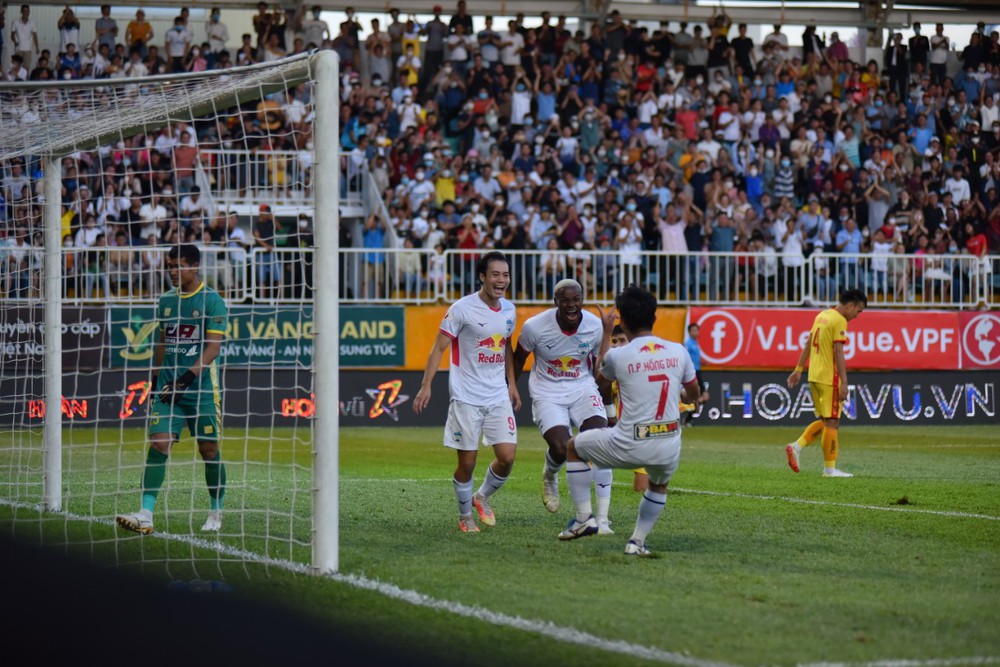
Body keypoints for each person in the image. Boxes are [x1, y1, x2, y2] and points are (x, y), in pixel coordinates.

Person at [557, 285, 700, 556]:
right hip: (668, 443)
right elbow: (693, 394)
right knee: (658, 485)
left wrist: (607, 333)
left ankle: (584, 518)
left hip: (629, 442)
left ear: (622, 319)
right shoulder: (678, 351)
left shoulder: (619, 355)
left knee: (574, 447)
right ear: (655, 317)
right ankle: (637, 542)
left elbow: (599, 382)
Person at [116, 244, 228, 535]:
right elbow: (163, 343)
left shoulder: (212, 301)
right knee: (159, 444)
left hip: (200, 388)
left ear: (195, 266)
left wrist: (186, 380)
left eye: (178, 266)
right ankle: (145, 514)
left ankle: (216, 511)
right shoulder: (166, 300)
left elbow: (213, 348)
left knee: (209, 449)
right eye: (169, 266)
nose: (172, 272)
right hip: (168, 390)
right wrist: (155, 382)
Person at [413, 251, 521, 533]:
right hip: (466, 396)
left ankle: (481, 497)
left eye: (505, 275)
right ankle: (465, 517)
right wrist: (426, 385)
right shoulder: (461, 308)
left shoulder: (510, 310)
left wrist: (511, 383)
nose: (501, 280)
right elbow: (438, 347)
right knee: (468, 462)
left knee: (507, 457)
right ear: (482, 277)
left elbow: (505, 346)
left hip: (497, 394)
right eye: (495, 274)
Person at [511, 279, 616, 532]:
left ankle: (601, 519)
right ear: (555, 301)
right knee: (561, 447)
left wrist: (607, 334)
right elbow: (517, 358)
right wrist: (510, 390)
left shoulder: (593, 325)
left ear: (582, 300)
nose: (572, 305)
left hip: (582, 388)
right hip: (547, 392)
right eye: (565, 300)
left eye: (576, 299)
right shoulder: (534, 326)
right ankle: (549, 475)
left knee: (599, 443)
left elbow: (601, 366)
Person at [785, 289, 868, 478]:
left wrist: (798, 369)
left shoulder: (822, 315)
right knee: (833, 422)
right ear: (850, 306)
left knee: (825, 421)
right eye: (858, 311)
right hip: (829, 378)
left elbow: (808, 343)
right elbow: (839, 352)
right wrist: (844, 382)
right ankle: (829, 470)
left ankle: (797, 447)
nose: (857, 316)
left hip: (814, 376)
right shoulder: (840, 320)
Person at [682, 322, 709, 425]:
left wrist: (702, 362)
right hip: (693, 372)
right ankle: (688, 417)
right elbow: (685, 357)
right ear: (689, 332)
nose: (696, 332)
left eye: (697, 330)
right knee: (704, 396)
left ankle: (688, 416)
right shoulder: (688, 344)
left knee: (702, 397)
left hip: (698, 371)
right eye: (693, 330)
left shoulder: (695, 343)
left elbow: (694, 358)